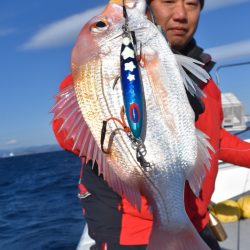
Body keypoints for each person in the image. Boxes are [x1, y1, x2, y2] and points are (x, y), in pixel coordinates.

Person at [52, 0, 250, 249]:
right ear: (147, 7)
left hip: (194, 222)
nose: (181, 14)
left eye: (192, 4)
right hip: (132, 235)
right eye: (168, 2)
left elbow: (214, 138)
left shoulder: (205, 81)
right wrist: (95, 74)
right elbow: (66, 132)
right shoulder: (108, 65)